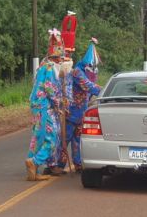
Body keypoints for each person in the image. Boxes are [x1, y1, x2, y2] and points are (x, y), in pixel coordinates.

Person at [25, 28, 70, 181]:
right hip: (45, 106)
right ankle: (35, 162)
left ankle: (32, 169)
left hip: (37, 105)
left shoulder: (43, 65)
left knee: (37, 136)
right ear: (56, 56)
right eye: (61, 57)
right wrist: (59, 106)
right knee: (51, 137)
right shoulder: (50, 67)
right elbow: (50, 89)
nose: (61, 60)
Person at [57, 38, 101, 172]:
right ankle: (58, 165)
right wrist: (105, 91)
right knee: (65, 139)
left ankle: (78, 163)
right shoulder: (77, 72)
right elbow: (89, 86)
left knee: (78, 139)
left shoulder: (90, 72)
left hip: (82, 112)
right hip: (71, 111)